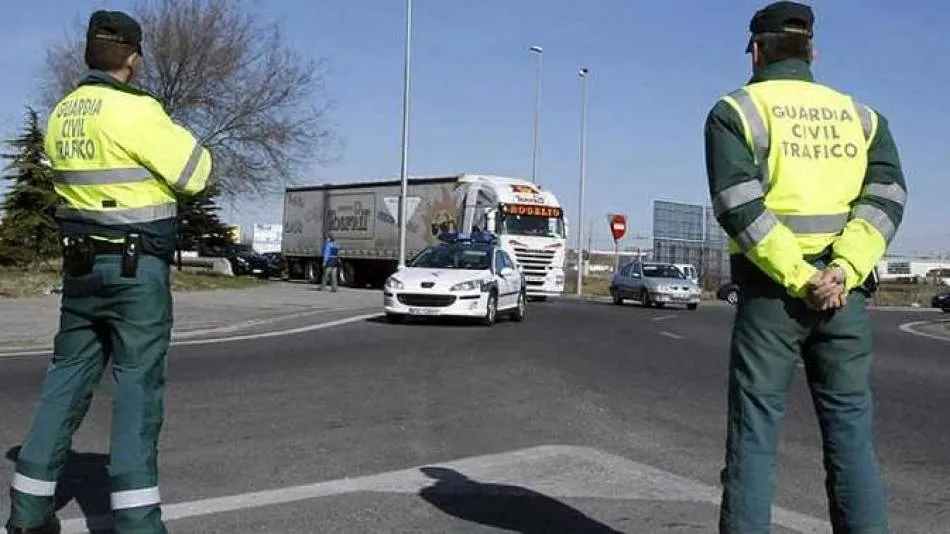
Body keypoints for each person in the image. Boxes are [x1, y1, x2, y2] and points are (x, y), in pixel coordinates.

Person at [6, 10, 212, 534]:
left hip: (80, 270)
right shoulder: (135, 112)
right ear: (133, 59)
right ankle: (138, 523)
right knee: (138, 390)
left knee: (65, 381)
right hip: (134, 270)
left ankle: (26, 513)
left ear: (87, 55)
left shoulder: (62, 113)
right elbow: (196, 173)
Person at [704, 2, 906, 532]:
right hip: (846, 299)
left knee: (754, 439)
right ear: (812, 51)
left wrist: (802, 276)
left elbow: (738, 204)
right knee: (851, 440)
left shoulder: (736, 111)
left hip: (772, 297)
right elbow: (886, 198)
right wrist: (843, 269)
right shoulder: (864, 118)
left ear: (756, 50)